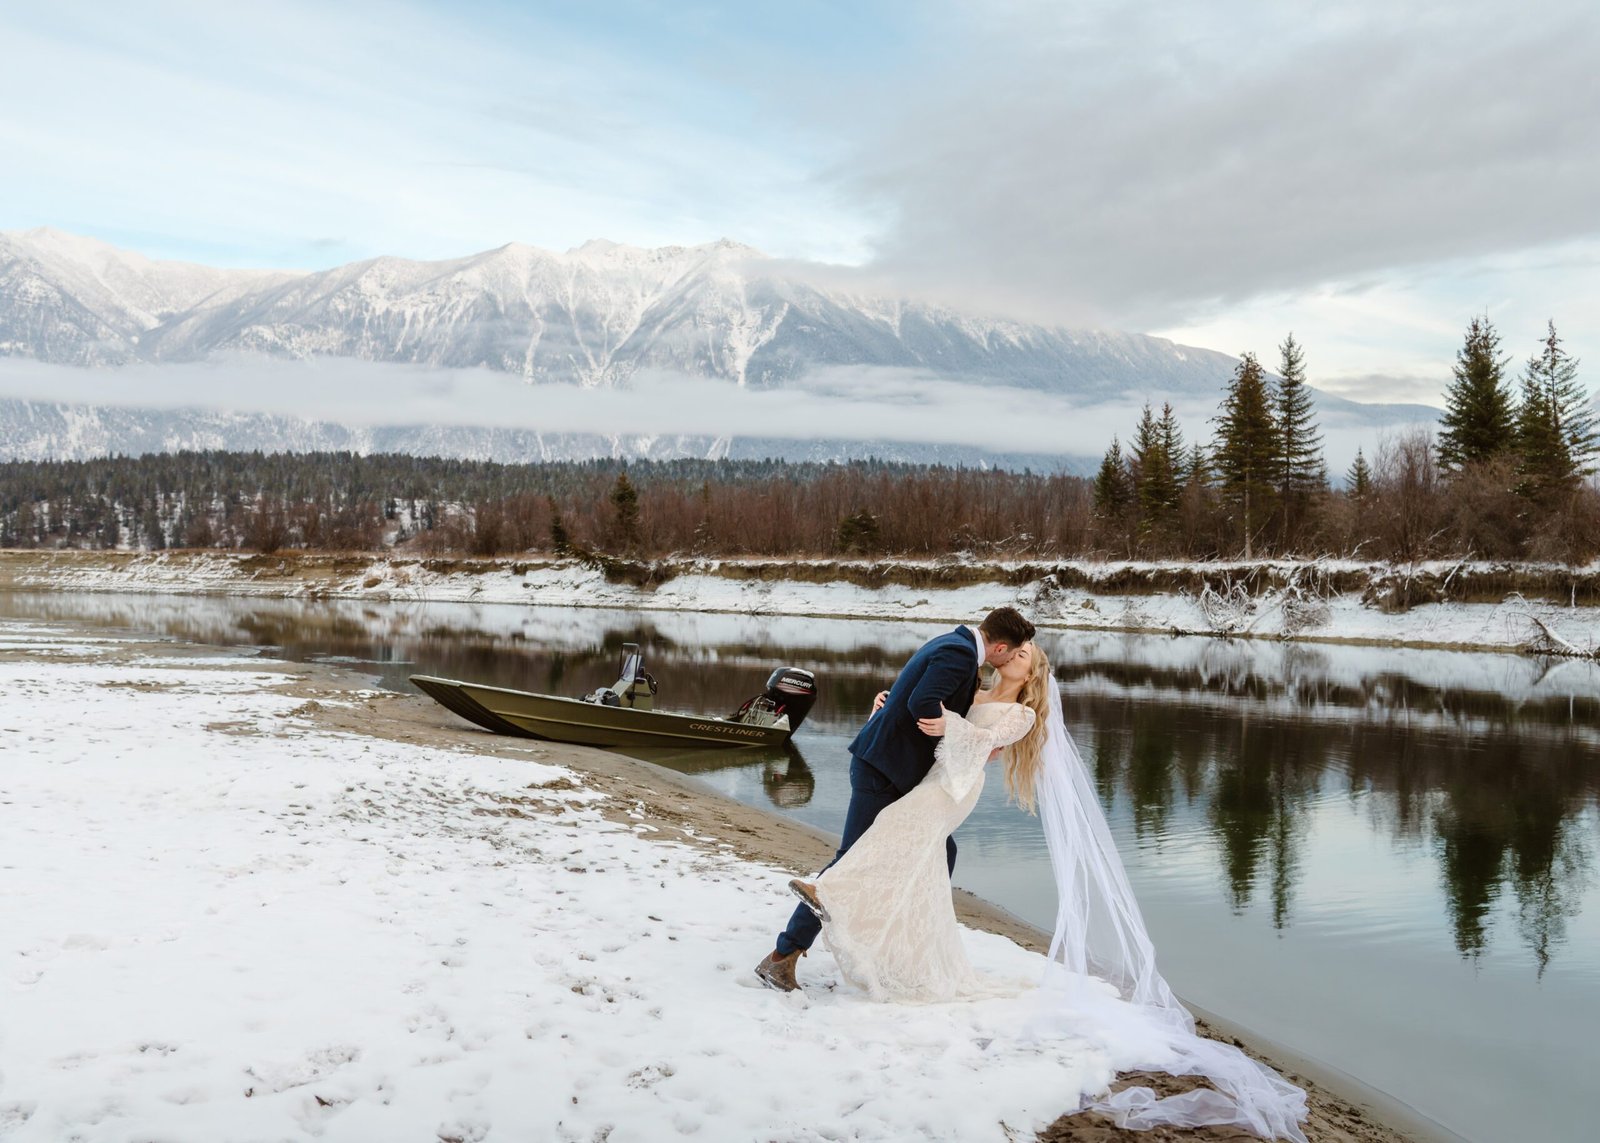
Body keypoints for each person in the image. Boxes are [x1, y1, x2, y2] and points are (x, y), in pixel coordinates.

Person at [780, 641, 1312, 1142]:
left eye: (1027, 653)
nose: (1016, 653)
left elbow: (974, 744)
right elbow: (930, 725)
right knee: (909, 859)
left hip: (951, 791)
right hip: (934, 782)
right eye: (1018, 647)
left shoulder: (1022, 714)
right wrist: (892, 706)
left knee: (890, 839)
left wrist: (949, 726)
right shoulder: (976, 691)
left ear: (1031, 672)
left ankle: (823, 896)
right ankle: (868, 938)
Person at [753, 606, 1036, 992]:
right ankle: (782, 957)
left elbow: (920, 696)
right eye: (1014, 651)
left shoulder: (955, 648)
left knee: (941, 854)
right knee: (851, 861)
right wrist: (955, 733)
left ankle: (893, 943)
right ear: (1000, 647)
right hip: (885, 771)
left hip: (905, 776)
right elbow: (922, 703)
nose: (1011, 658)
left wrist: (967, 737)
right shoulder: (959, 653)